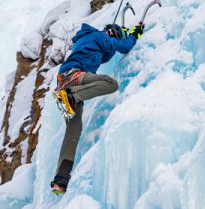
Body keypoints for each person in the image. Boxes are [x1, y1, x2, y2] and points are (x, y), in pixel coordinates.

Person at [50, 22, 143, 195]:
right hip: (74, 77)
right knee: (110, 83)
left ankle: (60, 179)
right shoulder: (100, 36)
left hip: (64, 82)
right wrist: (134, 34)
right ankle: (72, 97)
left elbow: (105, 55)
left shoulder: (86, 39)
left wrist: (115, 40)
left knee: (73, 130)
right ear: (109, 33)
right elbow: (124, 47)